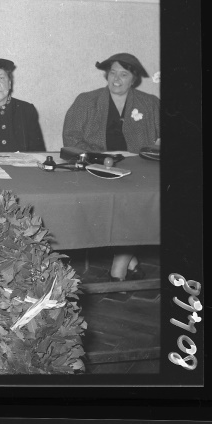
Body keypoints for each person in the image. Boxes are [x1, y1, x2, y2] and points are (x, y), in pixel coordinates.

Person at [62, 52, 160, 282]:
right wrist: (97, 157)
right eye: (113, 73)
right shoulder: (86, 101)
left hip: (138, 170)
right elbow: (71, 138)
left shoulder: (150, 103)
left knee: (137, 203)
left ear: (133, 79)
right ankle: (128, 257)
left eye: (123, 74)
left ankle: (120, 266)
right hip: (96, 168)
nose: (117, 79)